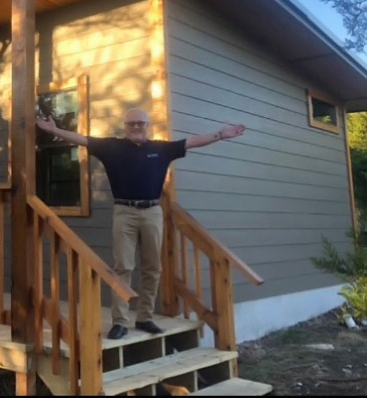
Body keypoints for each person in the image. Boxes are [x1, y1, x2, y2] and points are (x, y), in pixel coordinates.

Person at [35, 108, 245, 339]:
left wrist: (220, 135)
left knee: (153, 267)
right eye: (132, 123)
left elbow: (191, 142)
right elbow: (82, 139)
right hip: (124, 212)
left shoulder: (161, 149)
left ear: (148, 125)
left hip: (153, 211)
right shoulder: (111, 147)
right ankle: (120, 322)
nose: (136, 127)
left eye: (141, 123)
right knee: (123, 266)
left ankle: (144, 317)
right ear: (125, 126)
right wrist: (55, 131)